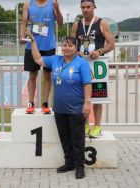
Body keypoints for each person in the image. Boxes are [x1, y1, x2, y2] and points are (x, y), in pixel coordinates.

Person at [31, 35, 92, 179]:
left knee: (77, 139)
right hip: (59, 109)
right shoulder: (55, 60)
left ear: (76, 48)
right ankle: (69, 162)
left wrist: (87, 102)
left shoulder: (81, 63)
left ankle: (79, 167)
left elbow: (88, 84)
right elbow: (38, 59)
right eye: (64, 45)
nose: (67, 48)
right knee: (64, 138)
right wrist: (33, 41)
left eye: (70, 45)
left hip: (76, 108)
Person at [71, 0, 115, 138]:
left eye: (88, 7)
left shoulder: (102, 23)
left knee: (97, 98)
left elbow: (111, 44)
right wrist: (75, 51)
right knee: (82, 97)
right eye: (83, 7)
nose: (86, 10)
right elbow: (71, 44)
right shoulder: (76, 25)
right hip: (81, 65)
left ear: (94, 7)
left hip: (97, 66)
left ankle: (97, 126)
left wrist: (100, 51)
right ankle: (84, 126)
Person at [20, 0, 63, 114]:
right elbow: (23, 22)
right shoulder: (28, 4)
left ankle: (45, 103)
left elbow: (61, 23)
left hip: (49, 46)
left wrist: (58, 9)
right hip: (32, 46)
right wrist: (22, 36)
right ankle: (31, 103)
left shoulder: (52, 4)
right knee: (32, 75)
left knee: (48, 77)